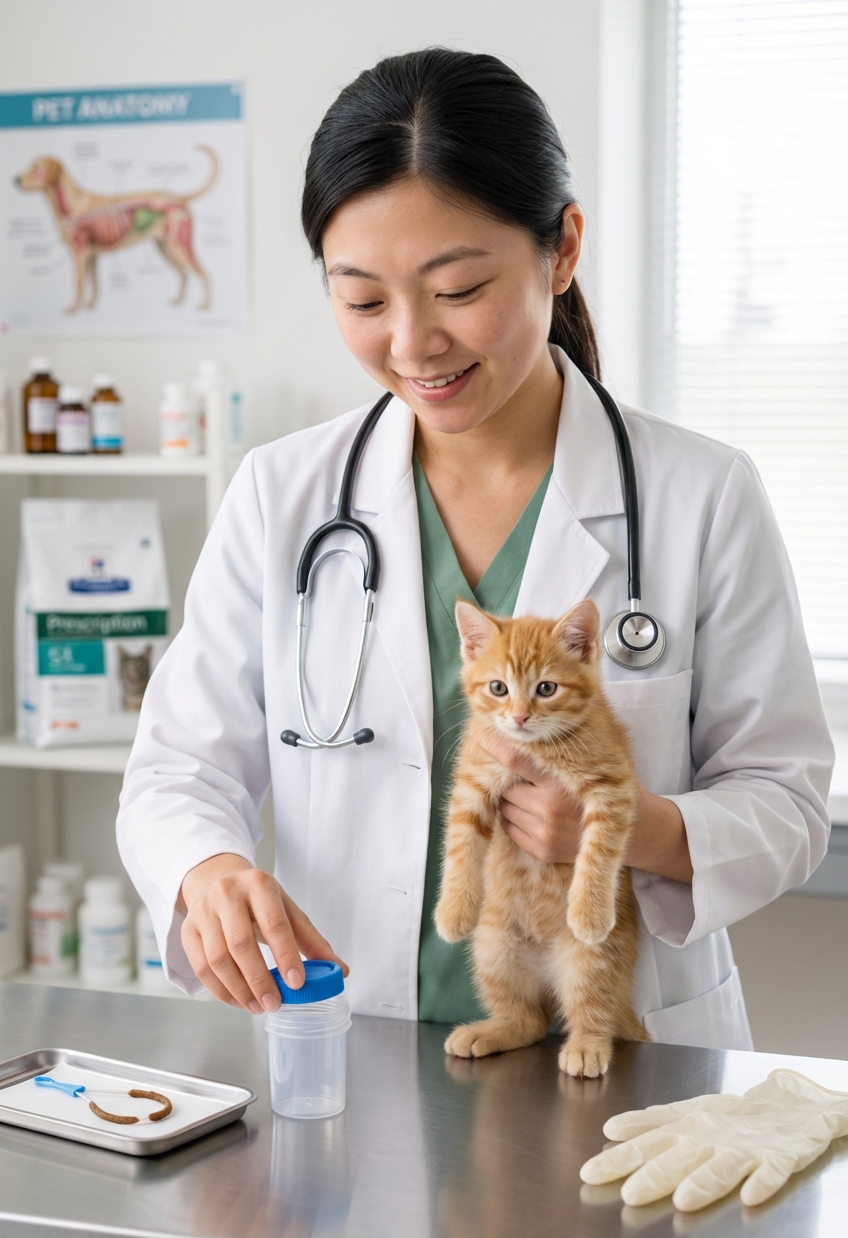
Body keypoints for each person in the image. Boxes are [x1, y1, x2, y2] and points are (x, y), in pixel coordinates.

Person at [118, 48, 833, 1050]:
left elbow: (786, 795)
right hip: (356, 1049)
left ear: (561, 248)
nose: (412, 344)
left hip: (628, 1058)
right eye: (362, 300)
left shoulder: (698, 494)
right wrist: (205, 870)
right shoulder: (283, 496)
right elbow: (177, 769)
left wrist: (637, 826)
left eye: (456, 289)